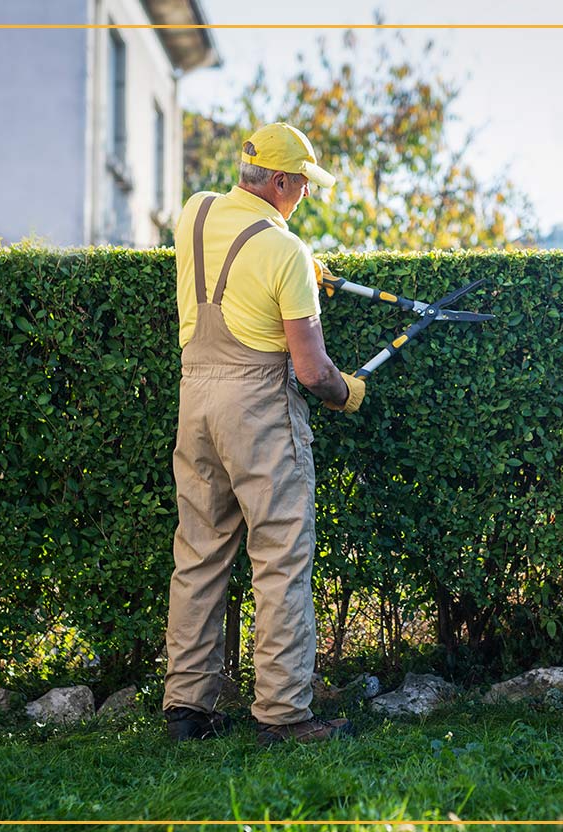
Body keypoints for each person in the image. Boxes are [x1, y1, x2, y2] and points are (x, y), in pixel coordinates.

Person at [162, 123, 364, 746]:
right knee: (279, 555)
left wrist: (301, 265)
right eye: (302, 182)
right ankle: (283, 715)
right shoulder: (286, 253)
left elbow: (238, 254)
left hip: (195, 399)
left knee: (198, 550)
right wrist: (347, 392)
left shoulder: (194, 215)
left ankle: (187, 711)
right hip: (257, 406)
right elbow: (312, 371)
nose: (305, 192)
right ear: (279, 181)